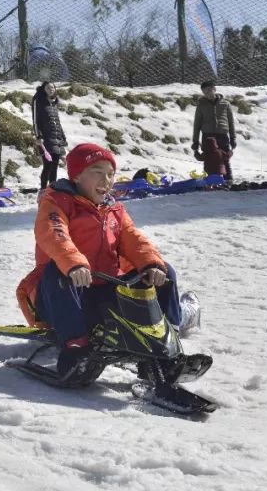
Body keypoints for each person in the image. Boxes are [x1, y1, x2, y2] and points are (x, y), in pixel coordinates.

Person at [15, 143, 183, 382]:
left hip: (104, 290)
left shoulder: (114, 209)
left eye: (110, 173)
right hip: (62, 296)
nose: (106, 179)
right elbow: (53, 233)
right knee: (57, 272)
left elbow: (133, 239)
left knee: (164, 273)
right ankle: (76, 350)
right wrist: (74, 264)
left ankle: (166, 348)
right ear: (77, 176)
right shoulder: (56, 203)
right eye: (97, 171)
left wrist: (150, 264)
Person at [192, 80, 236, 181]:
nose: (207, 94)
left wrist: (233, 137)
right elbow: (197, 124)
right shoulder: (201, 105)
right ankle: (209, 180)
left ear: (214, 89)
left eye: (209, 90)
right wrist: (195, 141)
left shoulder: (225, 103)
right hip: (208, 136)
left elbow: (231, 122)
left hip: (222, 134)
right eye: (205, 92)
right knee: (208, 159)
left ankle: (228, 179)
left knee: (224, 158)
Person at [32, 82, 67, 189]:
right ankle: (43, 190)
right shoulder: (38, 102)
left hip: (56, 140)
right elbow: (35, 121)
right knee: (47, 166)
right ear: (43, 89)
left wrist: (63, 138)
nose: (51, 89)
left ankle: (52, 191)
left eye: (52, 87)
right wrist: (38, 136)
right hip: (45, 140)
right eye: (48, 87)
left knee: (54, 167)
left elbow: (57, 123)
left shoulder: (53, 104)